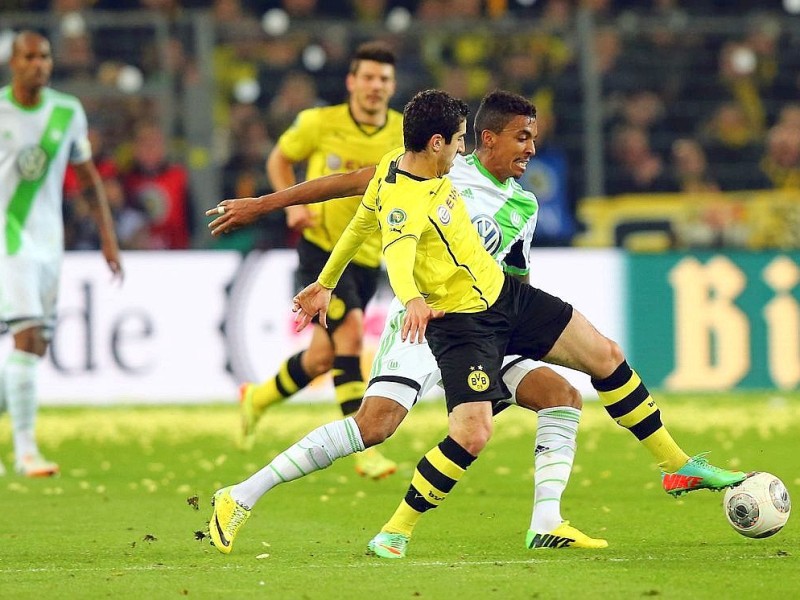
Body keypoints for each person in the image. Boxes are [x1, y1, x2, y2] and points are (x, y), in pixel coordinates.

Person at [280, 90, 747, 558]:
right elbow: (355, 185)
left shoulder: (524, 206)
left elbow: (518, 276)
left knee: (585, 374)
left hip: (496, 314)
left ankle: (646, 477)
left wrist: (514, 338)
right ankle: (385, 528)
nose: (531, 149)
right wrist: (266, 205)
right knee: (384, 425)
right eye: (522, 137)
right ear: (487, 138)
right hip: (431, 317)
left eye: (534, 138)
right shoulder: (442, 166)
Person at [206, 90, 608, 555]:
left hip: (484, 320)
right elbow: (396, 248)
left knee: (560, 396)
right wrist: (412, 298)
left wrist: (325, 282)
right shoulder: (412, 189)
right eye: (459, 140)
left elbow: (359, 224)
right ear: (439, 142)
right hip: (426, 323)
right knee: (375, 425)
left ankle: (546, 521)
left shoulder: (431, 175)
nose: (464, 150)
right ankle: (241, 495)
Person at [239, 41, 403, 480]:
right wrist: (291, 207)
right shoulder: (318, 123)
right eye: (367, 77)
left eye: (383, 79)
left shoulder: (405, 133)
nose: (375, 86)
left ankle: (257, 398)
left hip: (367, 256)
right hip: (320, 249)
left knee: (319, 359)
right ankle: (362, 446)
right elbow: (280, 158)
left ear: (392, 86)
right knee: (349, 333)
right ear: (352, 82)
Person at [0, 31, 123, 477]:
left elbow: (88, 179)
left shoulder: (67, 111)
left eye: (45, 57)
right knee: (26, 337)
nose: (40, 64)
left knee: (36, 348)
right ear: (13, 62)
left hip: (50, 243)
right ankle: (26, 452)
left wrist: (108, 238)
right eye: (30, 57)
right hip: (8, 238)